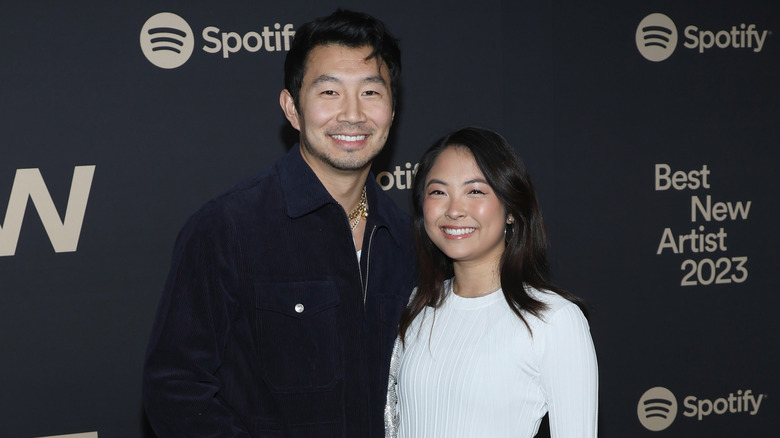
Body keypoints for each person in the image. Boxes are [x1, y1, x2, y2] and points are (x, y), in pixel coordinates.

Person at [143, 9, 416, 438]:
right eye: (329, 91)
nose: (352, 114)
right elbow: (175, 388)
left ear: (392, 109)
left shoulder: (404, 240)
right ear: (292, 108)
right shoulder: (227, 229)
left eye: (370, 92)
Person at [385, 127, 598, 437]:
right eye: (438, 192)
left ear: (511, 209)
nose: (454, 210)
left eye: (475, 191)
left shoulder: (554, 321)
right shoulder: (414, 307)